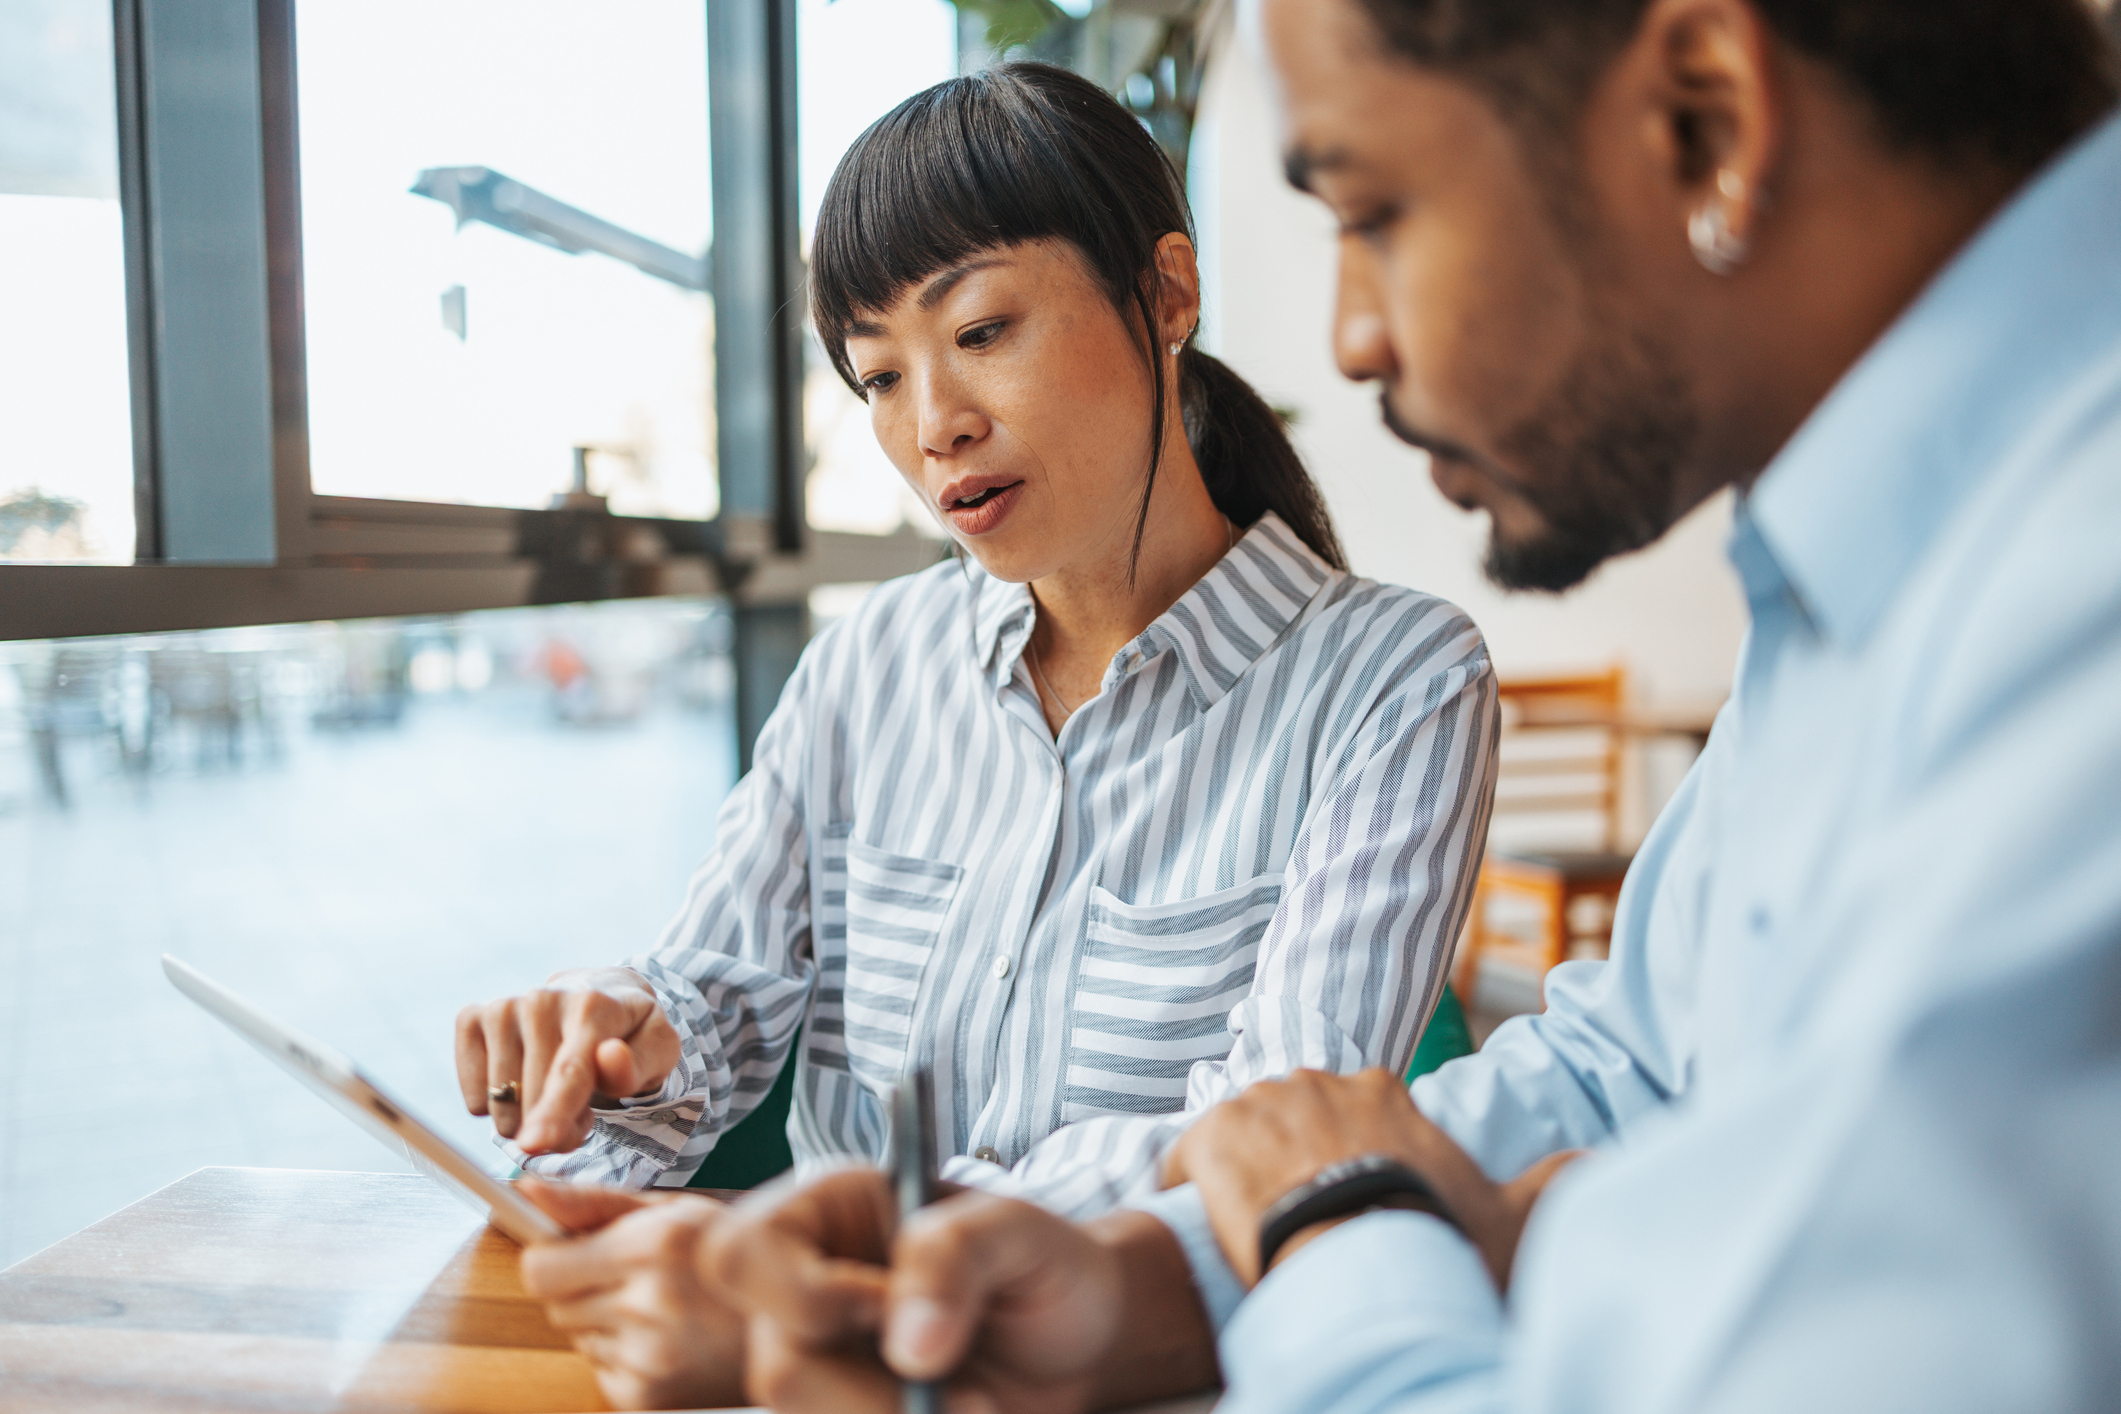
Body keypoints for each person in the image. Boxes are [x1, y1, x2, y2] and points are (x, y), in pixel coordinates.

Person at [694, 0, 2121, 1410]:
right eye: (875, 375)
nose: (1351, 337)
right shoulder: (1868, 584)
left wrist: (1324, 1229)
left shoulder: (2072, 604)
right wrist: (1146, 1283)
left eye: (1371, 213)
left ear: (1703, 117)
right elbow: (1619, 1067)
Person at [467, 62, 1496, 1407]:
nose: (931, 422)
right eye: (878, 374)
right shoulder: (866, 668)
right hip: (821, 1360)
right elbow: (717, 1000)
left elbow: (1266, 1151)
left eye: (983, 330)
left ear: (1166, 294)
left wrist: (856, 1252)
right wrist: (626, 1050)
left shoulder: (1394, 683)